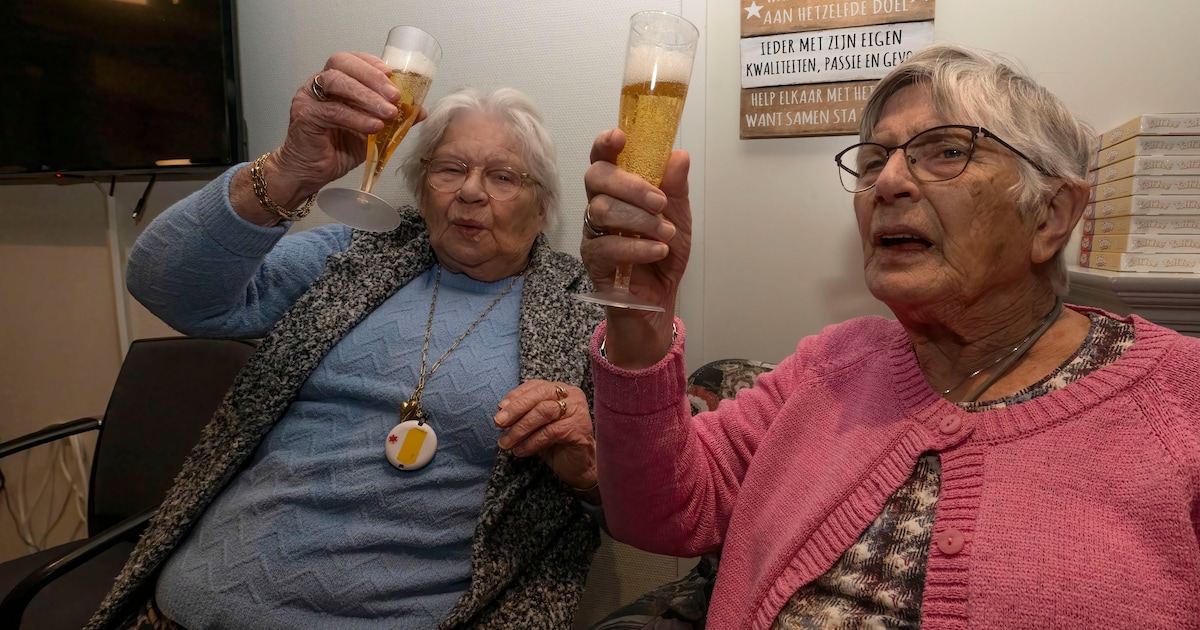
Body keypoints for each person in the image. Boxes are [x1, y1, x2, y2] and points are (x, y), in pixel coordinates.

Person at [579, 43, 1200, 628]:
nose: (887, 183)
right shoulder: (833, 364)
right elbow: (657, 511)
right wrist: (641, 316)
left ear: (1051, 214)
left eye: (947, 151)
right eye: (874, 160)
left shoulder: (1180, 397)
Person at [87, 51, 604, 630]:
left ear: (543, 206)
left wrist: (591, 471)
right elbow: (167, 288)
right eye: (450, 169)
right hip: (186, 605)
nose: (470, 192)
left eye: (503, 176)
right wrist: (290, 170)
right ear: (421, 188)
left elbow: (636, 500)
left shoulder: (582, 312)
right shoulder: (353, 255)